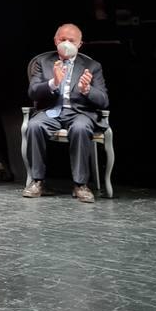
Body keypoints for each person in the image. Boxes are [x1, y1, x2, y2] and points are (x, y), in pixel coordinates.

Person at [23, 23, 109, 203]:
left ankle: (81, 185)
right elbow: (33, 92)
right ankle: (37, 181)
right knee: (34, 126)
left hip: (79, 113)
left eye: (71, 41)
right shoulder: (43, 62)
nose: (66, 44)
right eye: (63, 40)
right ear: (55, 41)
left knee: (80, 128)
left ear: (79, 44)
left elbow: (103, 100)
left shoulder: (92, 66)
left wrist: (87, 90)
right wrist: (54, 82)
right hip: (51, 111)